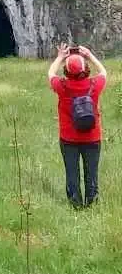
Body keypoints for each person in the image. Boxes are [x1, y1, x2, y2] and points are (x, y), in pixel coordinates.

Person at [48, 44, 108, 208]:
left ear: (66, 71)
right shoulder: (95, 85)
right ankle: (92, 203)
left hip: (68, 139)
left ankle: (75, 204)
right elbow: (104, 72)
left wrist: (60, 57)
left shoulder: (62, 86)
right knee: (92, 172)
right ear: (86, 69)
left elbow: (51, 73)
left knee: (72, 173)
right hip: (92, 138)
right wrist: (89, 55)